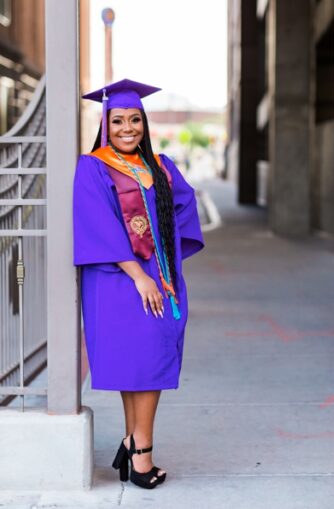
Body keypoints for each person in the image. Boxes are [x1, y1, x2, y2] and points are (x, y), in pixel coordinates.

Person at [73, 79, 204, 490]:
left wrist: (164, 257)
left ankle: (133, 442)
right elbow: (98, 224)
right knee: (142, 362)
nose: (127, 128)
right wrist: (139, 274)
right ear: (105, 125)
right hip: (119, 277)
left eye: (135, 120)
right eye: (118, 121)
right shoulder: (94, 166)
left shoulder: (160, 166)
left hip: (158, 275)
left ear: (144, 123)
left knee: (145, 360)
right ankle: (142, 453)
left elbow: (184, 206)